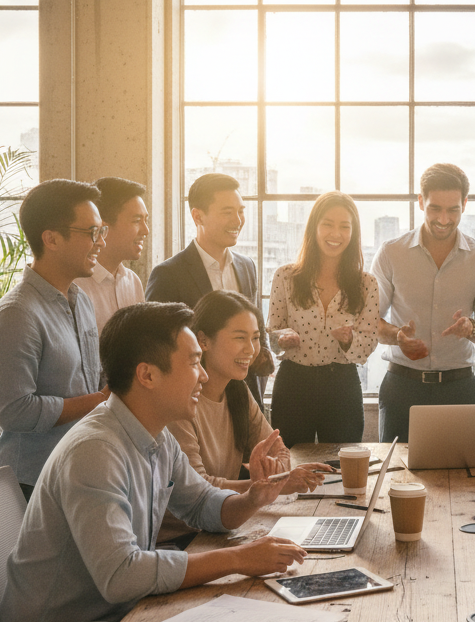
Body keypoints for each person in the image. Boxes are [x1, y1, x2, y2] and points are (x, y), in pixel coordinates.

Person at [0, 302, 335, 622]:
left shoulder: (152, 435)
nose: (202, 375)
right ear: (148, 375)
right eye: (193, 361)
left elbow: (204, 507)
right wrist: (236, 558)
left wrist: (257, 495)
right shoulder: (96, 450)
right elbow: (122, 576)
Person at [159, 290, 334, 543]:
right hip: (182, 540)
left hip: (219, 529)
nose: (251, 350)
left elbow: (278, 450)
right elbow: (198, 488)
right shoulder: (181, 401)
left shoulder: (237, 390)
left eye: (255, 338)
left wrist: (273, 478)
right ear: (203, 341)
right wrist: (274, 484)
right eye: (240, 338)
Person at [0, 179, 108, 499]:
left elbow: (88, 381)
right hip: (29, 485)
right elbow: (14, 412)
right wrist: (100, 400)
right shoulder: (16, 314)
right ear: (51, 239)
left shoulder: (80, 300)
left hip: (76, 472)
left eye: (102, 231)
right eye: (91, 233)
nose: (101, 243)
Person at [369, 163, 475, 443]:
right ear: (420, 202)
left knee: (466, 480)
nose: (444, 218)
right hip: (402, 388)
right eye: (434, 208)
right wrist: (398, 336)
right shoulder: (392, 253)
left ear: (465, 204)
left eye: (453, 209)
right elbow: (371, 321)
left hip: (460, 389)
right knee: (396, 476)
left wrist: (472, 328)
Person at [146, 172, 273, 409]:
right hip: (195, 401)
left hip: (245, 399)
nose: (238, 220)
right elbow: (158, 347)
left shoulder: (247, 267)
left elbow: (257, 331)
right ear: (198, 216)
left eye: (241, 211)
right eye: (227, 212)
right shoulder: (168, 274)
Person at [268, 192, 379, 445]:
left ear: (354, 233)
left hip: (342, 384)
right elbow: (271, 335)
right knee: (290, 464)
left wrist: (350, 340)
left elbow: (370, 341)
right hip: (293, 384)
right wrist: (282, 339)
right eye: (327, 224)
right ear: (314, 227)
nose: (335, 234)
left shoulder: (366, 284)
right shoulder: (285, 277)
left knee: (342, 466)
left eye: (344, 226)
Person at [74, 176, 149, 332]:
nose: (145, 230)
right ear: (103, 228)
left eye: (145, 220)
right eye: (136, 221)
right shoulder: (75, 287)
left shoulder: (133, 281)